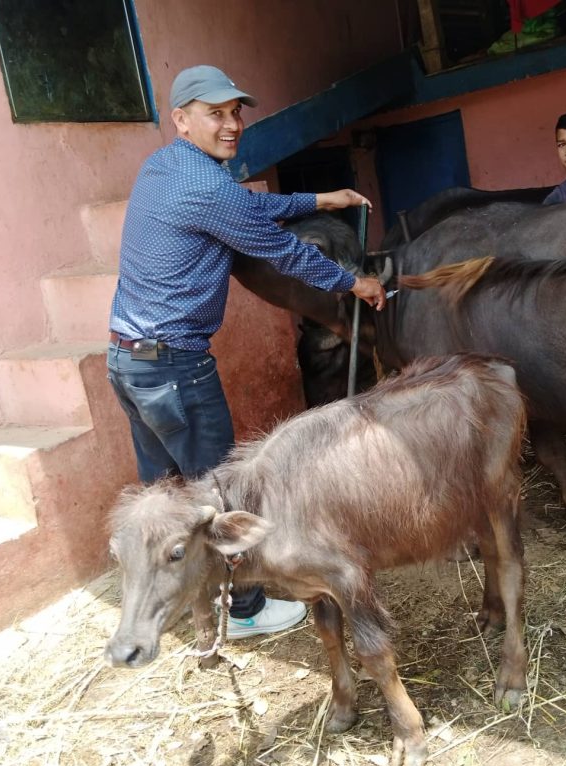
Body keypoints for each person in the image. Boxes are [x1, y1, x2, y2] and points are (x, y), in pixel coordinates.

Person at [107, 65, 386, 640]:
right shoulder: (205, 187)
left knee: (162, 498)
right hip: (176, 368)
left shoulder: (162, 167)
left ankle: (165, 602)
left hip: (129, 362)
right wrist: (354, 282)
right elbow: (281, 250)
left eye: (236, 112)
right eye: (216, 113)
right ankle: (247, 608)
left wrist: (319, 198)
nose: (232, 124)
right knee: (219, 492)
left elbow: (245, 208)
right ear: (181, 120)